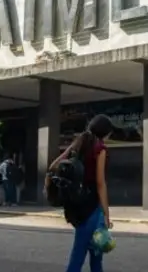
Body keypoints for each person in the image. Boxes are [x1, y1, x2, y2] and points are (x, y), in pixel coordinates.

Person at [46, 114, 113, 272]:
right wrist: (106, 213)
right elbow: (100, 183)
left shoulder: (79, 144)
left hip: (76, 205)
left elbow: (53, 166)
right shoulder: (100, 149)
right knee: (84, 254)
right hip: (92, 207)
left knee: (94, 253)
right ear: (105, 132)